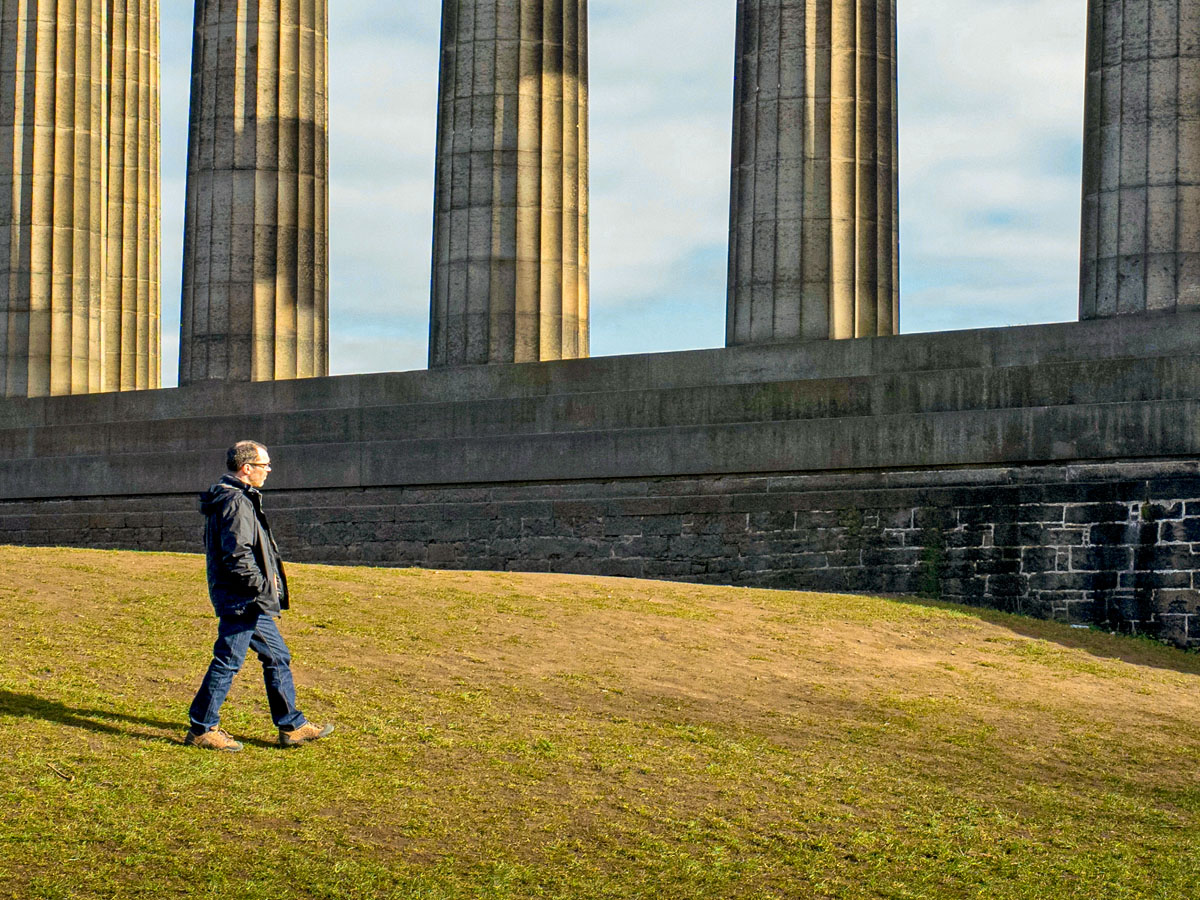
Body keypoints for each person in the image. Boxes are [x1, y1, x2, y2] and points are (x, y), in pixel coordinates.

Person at [185, 440, 334, 751]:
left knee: (277, 656)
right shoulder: (235, 501)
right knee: (227, 661)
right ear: (246, 468)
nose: (269, 469)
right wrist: (262, 587)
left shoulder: (238, 498)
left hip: (251, 598)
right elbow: (237, 554)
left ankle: (291, 725)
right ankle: (201, 728)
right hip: (243, 598)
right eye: (264, 464)